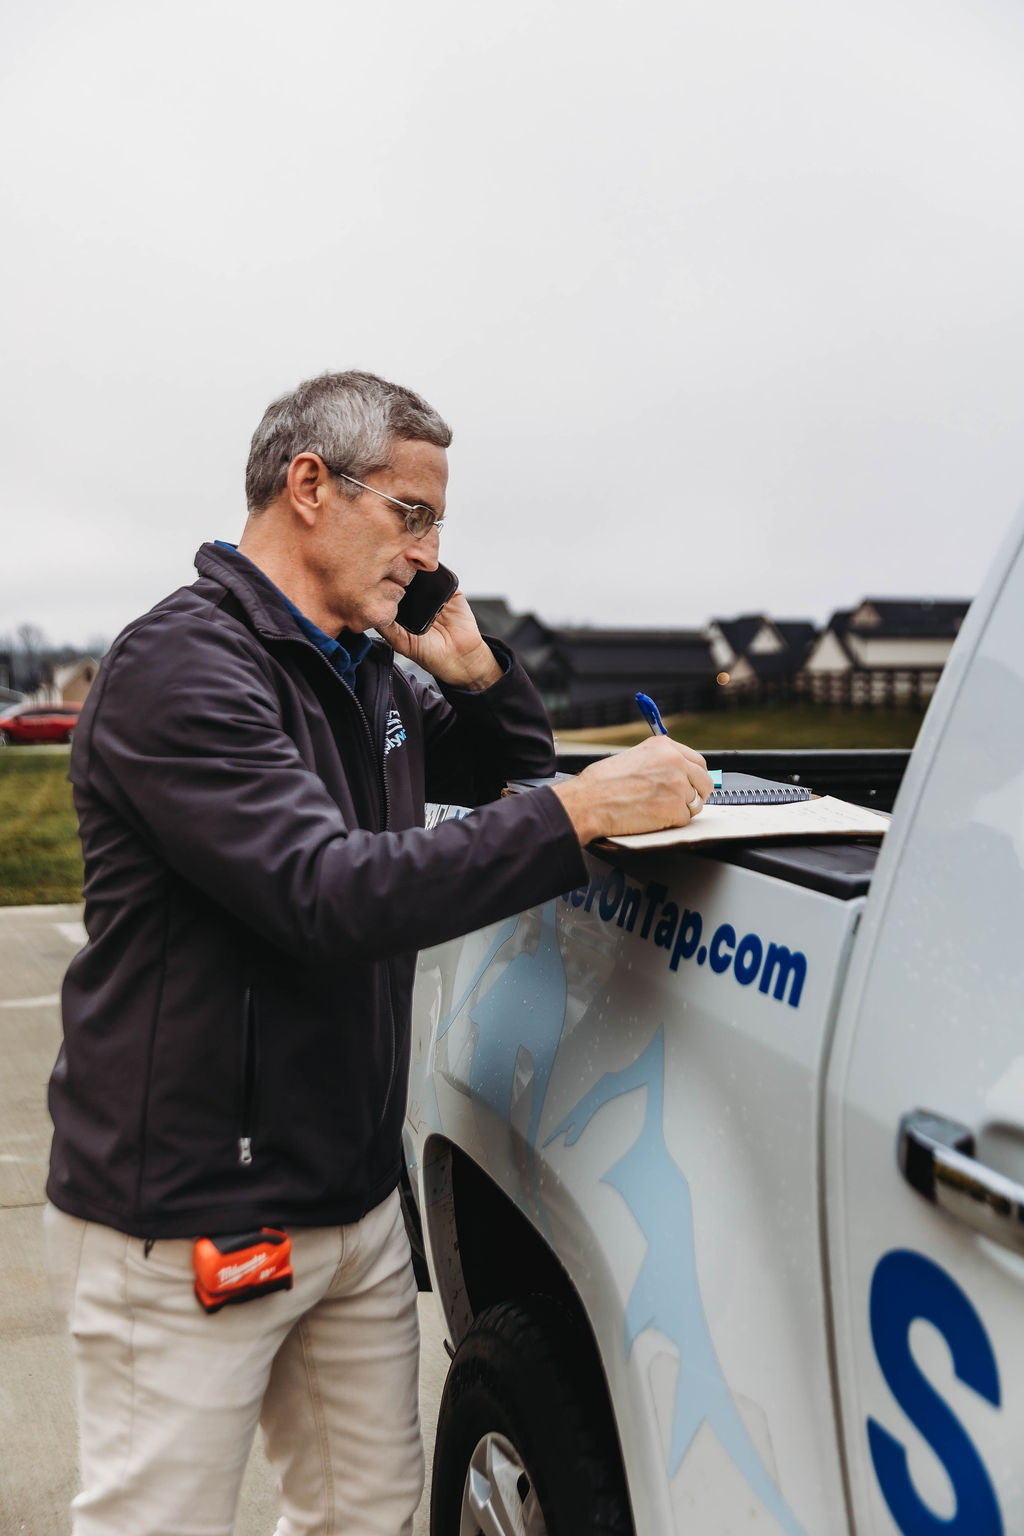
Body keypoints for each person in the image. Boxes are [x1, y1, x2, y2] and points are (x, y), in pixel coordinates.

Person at [44, 369, 712, 1536]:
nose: (431, 553)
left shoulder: (367, 669)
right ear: (310, 486)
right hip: (199, 1212)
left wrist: (477, 674)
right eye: (412, 514)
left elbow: (502, 773)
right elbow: (327, 892)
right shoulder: (183, 671)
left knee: (370, 1517)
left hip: (352, 1205)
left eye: (439, 522)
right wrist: (583, 814)